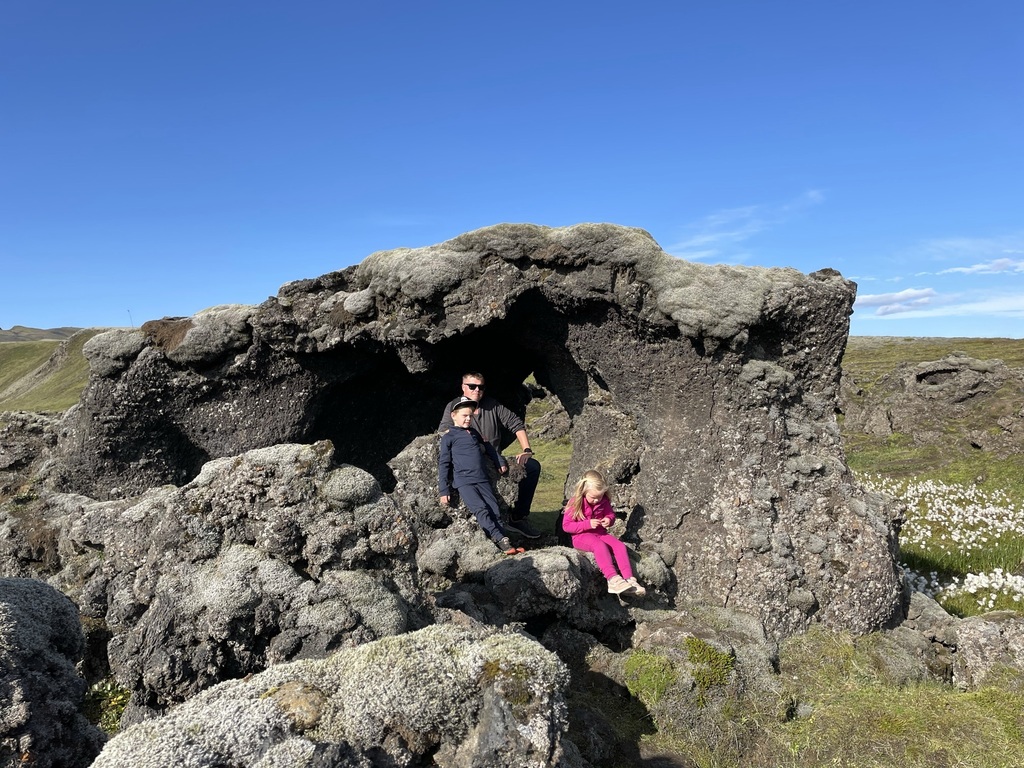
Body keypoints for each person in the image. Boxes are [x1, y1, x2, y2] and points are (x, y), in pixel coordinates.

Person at [438, 371, 542, 539]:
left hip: (495, 460)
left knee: (532, 467)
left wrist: (526, 450)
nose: (476, 390)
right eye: (472, 386)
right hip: (469, 465)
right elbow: (443, 432)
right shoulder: (454, 407)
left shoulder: (492, 405)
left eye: (481, 387)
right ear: (463, 387)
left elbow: (515, 423)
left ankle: (518, 517)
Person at [438, 397, 524, 555]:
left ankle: (505, 541)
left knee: (494, 510)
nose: (468, 419)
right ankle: (500, 540)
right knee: (481, 510)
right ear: (453, 416)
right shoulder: (448, 437)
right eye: (464, 415)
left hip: (482, 479)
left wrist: (499, 461)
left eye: (470, 416)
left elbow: (488, 447)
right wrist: (444, 490)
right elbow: (444, 464)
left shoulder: (474, 433)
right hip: (464, 482)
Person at [562, 470, 646, 596]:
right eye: (593, 497)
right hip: (581, 536)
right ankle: (613, 579)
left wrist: (609, 520)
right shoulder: (575, 503)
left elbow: (610, 514)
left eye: (599, 497)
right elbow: (566, 526)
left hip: (601, 533)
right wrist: (587, 524)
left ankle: (629, 579)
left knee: (619, 546)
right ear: (584, 492)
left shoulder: (604, 501)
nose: (596, 500)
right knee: (599, 546)